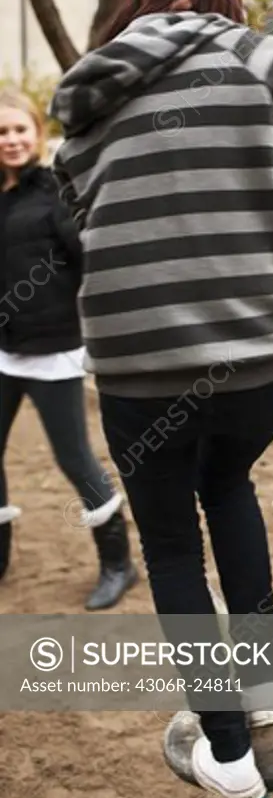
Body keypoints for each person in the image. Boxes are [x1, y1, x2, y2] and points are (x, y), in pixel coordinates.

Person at [47, 0, 273, 798]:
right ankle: (255, 699)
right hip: (256, 362)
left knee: (172, 544)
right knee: (230, 489)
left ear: (137, 3)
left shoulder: (86, 93)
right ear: (225, 0)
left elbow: (77, 223)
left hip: (139, 369)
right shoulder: (265, 61)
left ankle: (228, 756)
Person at [0, 89, 137, 610]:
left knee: (73, 457)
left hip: (53, 349)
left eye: (20, 130)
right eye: (1, 132)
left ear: (37, 134)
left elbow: (90, 263)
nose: (11, 141)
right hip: (4, 349)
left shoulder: (57, 191)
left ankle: (119, 563)